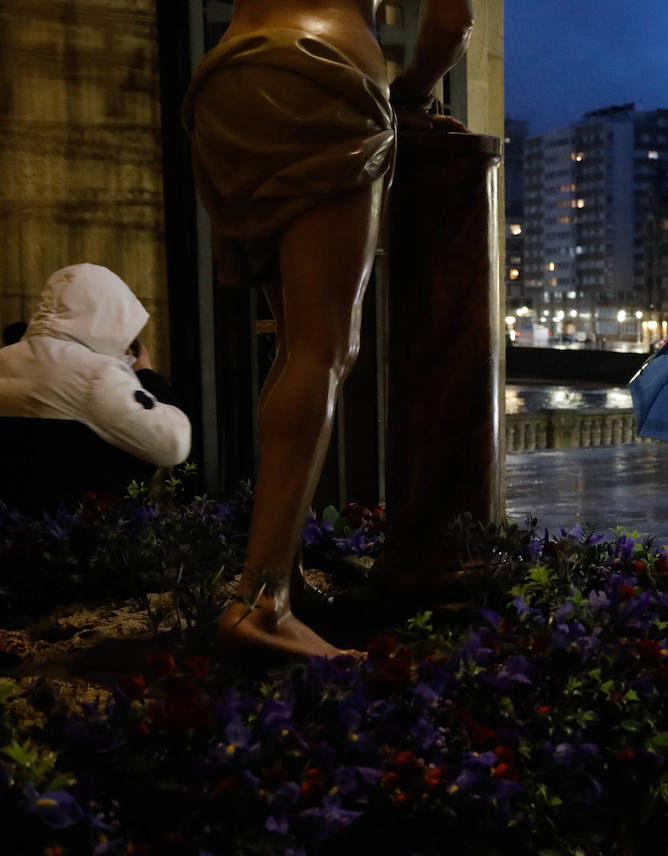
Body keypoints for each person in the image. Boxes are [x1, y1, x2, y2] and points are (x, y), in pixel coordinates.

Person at [182, 0, 475, 659]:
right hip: (325, 80)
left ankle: (278, 574)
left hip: (227, 79)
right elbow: (453, 20)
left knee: (293, 348)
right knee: (325, 347)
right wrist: (412, 94)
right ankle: (260, 604)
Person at [0, 264, 192, 516]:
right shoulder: (96, 374)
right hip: (76, 537)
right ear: (110, 317)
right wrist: (145, 373)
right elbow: (172, 443)